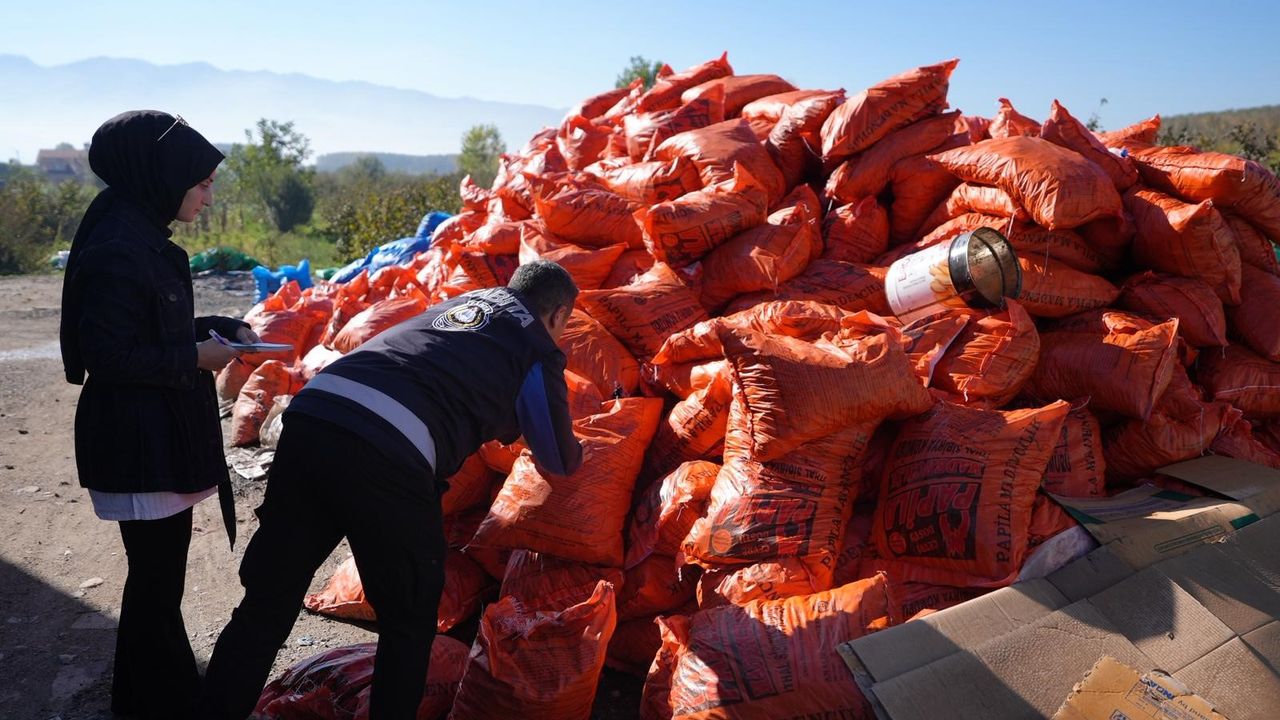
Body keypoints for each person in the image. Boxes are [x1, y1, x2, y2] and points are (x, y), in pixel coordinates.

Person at [199, 260, 584, 720]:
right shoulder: (535, 348)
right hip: (384, 451)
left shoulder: (460, 304)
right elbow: (559, 460)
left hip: (312, 418)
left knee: (268, 600)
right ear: (559, 315)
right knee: (409, 620)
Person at [59, 110, 259, 719]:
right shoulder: (121, 246)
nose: (208, 193)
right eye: (201, 183)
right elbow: (108, 353)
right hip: (138, 437)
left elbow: (142, 325)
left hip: (152, 431)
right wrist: (194, 357)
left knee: (158, 577)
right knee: (155, 579)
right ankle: (155, 700)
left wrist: (210, 331)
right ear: (161, 175)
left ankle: (159, 694)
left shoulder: (136, 231)